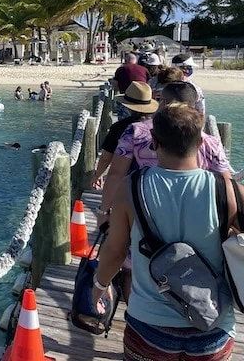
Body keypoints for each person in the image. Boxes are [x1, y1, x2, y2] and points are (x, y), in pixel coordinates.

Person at [93, 103, 240, 360]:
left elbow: (115, 251)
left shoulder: (131, 187)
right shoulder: (226, 189)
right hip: (214, 324)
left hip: (149, 325)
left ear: (154, 142)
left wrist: (99, 285)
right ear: (202, 141)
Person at [99, 81, 231, 218]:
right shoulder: (210, 142)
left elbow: (116, 174)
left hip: (144, 213)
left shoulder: (136, 131)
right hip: (196, 215)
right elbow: (227, 184)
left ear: (163, 102)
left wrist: (104, 211)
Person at [92, 82, 158, 189]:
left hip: (128, 179)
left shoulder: (119, 127)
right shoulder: (159, 125)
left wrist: (97, 175)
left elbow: (106, 157)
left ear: (127, 106)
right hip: (156, 177)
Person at [111, 53, 150, 119]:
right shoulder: (144, 69)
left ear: (125, 61)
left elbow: (116, 84)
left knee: (123, 121)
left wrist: (111, 81)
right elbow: (149, 82)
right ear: (136, 61)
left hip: (126, 99)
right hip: (142, 99)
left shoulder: (121, 69)